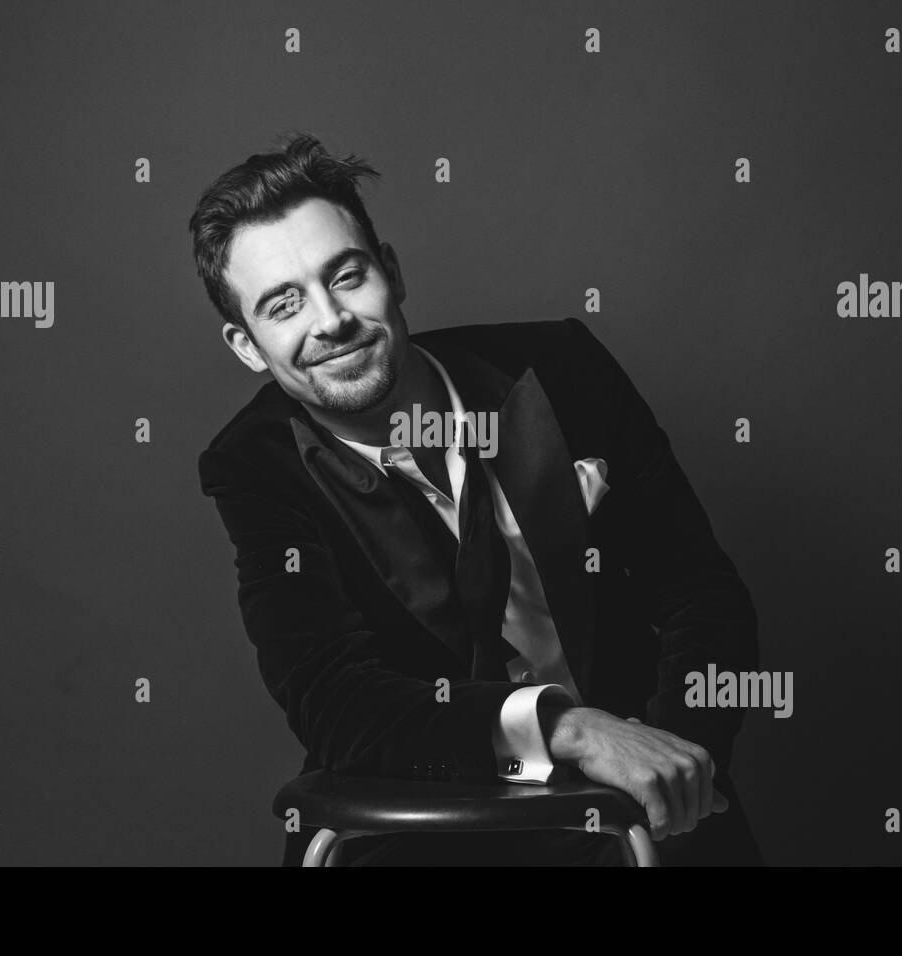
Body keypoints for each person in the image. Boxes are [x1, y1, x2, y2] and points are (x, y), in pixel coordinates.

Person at [190, 132, 763, 866]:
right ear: (245, 346)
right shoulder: (254, 466)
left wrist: (680, 760)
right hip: (420, 823)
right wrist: (571, 728)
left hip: (646, 809)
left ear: (391, 272)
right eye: (283, 304)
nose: (330, 320)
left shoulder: (562, 368)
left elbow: (698, 590)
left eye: (347, 275)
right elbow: (336, 700)